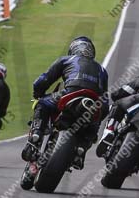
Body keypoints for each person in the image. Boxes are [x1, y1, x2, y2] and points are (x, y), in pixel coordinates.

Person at [21, 36, 108, 170]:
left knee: (42, 103)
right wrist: (101, 115)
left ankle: (36, 136)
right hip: (93, 102)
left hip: (70, 92)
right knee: (95, 121)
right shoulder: (102, 70)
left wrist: (38, 93)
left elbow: (44, 80)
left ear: (73, 49)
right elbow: (105, 100)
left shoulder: (66, 60)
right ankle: (81, 149)